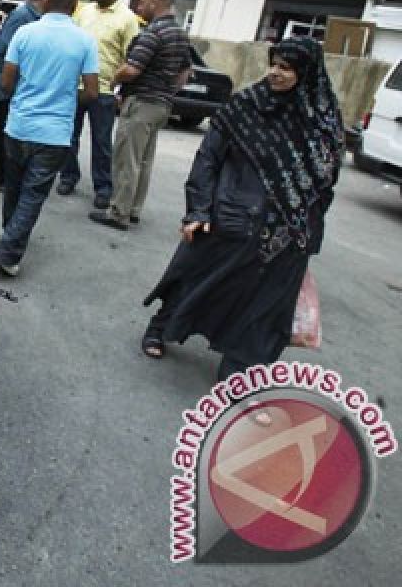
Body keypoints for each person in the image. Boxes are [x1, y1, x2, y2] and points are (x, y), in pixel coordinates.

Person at [139, 37, 342, 379]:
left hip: (287, 235)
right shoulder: (246, 105)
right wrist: (199, 211)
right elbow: (208, 159)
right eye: (273, 64)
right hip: (232, 217)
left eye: (287, 68)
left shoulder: (323, 119)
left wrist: (305, 228)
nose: (275, 73)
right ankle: (161, 326)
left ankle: (239, 375)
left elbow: (325, 181)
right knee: (197, 278)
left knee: (265, 309)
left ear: (307, 73)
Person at [0, 0, 98, 276]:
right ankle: (10, 251)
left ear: (46, 0)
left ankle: (10, 234)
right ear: (75, 5)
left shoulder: (25, 33)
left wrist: (29, 91)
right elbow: (92, 91)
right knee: (33, 193)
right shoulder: (85, 41)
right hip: (54, 133)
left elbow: (7, 81)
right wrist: (63, 95)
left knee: (14, 187)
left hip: (18, 126)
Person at [89, 0, 190, 230]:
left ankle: (118, 212)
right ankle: (133, 209)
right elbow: (185, 72)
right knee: (143, 160)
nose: (138, 7)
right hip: (161, 105)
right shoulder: (179, 33)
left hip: (142, 102)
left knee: (126, 158)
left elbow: (132, 69)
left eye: (142, 2)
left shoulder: (153, 32)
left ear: (155, 3)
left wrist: (114, 79)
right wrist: (167, 90)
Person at [57, 0, 141, 209]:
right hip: (75, 86)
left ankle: (103, 188)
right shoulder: (84, 11)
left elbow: (131, 57)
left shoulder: (127, 19)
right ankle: (68, 177)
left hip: (104, 90)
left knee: (101, 142)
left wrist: (120, 90)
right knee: (68, 137)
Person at [0, 0, 49, 191]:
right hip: (10, 85)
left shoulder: (35, 18)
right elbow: (6, 51)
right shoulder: (22, 16)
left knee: (10, 132)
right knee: (3, 132)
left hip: (19, 85)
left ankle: (5, 174)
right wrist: (7, 85)